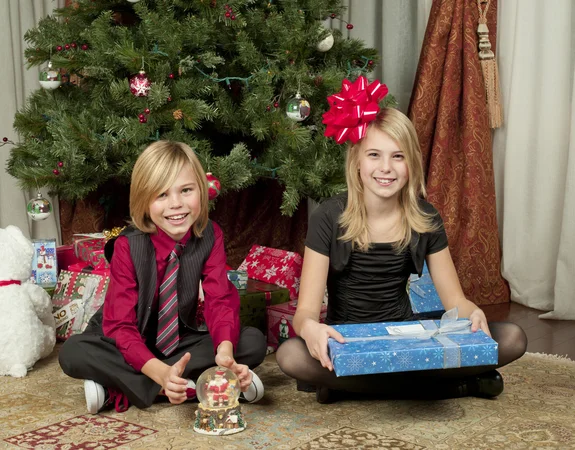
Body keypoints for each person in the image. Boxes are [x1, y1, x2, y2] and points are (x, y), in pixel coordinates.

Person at [276, 80, 527, 403]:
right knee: (291, 356)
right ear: (356, 161)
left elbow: (456, 302)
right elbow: (305, 313)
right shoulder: (328, 217)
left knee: (511, 338)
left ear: (411, 164)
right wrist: (311, 330)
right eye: (374, 155)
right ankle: (456, 387)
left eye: (398, 157)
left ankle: (347, 388)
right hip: (348, 341)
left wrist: (473, 312)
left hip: (406, 341)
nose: (385, 168)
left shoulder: (425, 217)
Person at [59, 141, 266, 413]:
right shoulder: (127, 246)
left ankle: (120, 389)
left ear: (201, 192)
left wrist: (224, 354)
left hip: (179, 341)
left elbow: (220, 300)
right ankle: (183, 385)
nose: (176, 205)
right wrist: (157, 371)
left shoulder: (210, 235)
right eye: (161, 195)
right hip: (124, 339)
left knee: (252, 341)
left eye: (186, 190)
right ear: (144, 202)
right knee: (74, 351)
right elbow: (120, 325)